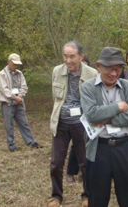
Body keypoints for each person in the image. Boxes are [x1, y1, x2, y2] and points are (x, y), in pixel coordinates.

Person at [80, 47, 128, 207]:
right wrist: (118, 107)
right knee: (97, 199)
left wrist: (105, 119)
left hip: (126, 147)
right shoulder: (88, 87)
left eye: (118, 69)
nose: (114, 74)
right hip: (99, 149)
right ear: (99, 66)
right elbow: (92, 115)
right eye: (109, 69)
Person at [48, 41, 98, 207]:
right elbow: (56, 97)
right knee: (56, 163)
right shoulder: (57, 71)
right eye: (65, 56)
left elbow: (95, 99)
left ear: (81, 56)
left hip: (82, 124)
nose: (68, 60)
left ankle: (87, 195)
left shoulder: (92, 73)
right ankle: (56, 196)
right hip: (61, 123)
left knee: (85, 162)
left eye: (72, 56)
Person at [0, 53, 43, 152]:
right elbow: (4, 89)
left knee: (24, 123)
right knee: (9, 126)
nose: (16, 66)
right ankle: (11, 146)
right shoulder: (2, 74)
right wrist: (14, 97)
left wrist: (20, 97)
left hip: (19, 102)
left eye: (17, 64)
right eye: (14, 63)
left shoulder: (20, 73)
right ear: (8, 62)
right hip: (7, 103)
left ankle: (31, 142)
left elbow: (24, 86)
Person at [66, 55, 91, 183]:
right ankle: (71, 171)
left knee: (88, 145)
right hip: (74, 118)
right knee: (76, 146)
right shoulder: (70, 78)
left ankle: (86, 173)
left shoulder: (91, 78)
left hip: (88, 116)